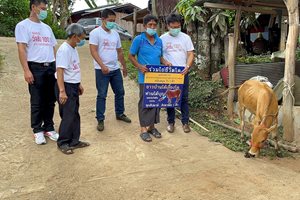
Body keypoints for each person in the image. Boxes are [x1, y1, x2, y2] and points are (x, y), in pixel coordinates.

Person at [15, 0, 59, 145]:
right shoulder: (23, 26)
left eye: (46, 8)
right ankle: (37, 130)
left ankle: (49, 127)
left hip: (50, 67)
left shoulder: (47, 28)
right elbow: (21, 49)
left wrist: (57, 67)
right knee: (37, 101)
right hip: (35, 67)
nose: (44, 11)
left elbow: (53, 47)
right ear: (33, 7)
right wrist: (26, 70)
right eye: (42, 8)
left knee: (50, 100)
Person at [128, 14, 172, 142]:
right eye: (150, 25)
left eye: (154, 25)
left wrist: (166, 62)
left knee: (155, 101)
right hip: (145, 77)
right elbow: (131, 56)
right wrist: (140, 66)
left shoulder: (159, 40)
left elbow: (160, 57)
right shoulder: (139, 40)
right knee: (145, 102)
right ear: (144, 26)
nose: (152, 27)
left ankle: (152, 127)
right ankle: (143, 129)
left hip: (157, 77)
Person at [89, 9, 131, 132]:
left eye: (114, 21)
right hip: (101, 70)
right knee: (102, 95)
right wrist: (102, 66)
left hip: (115, 69)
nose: (112, 23)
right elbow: (93, 51)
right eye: (110, 20)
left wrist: (124, 66)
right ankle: (100, 119)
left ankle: (120, 113)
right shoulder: (95, 33)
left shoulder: (115, 34)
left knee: (120, 92)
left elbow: (119, 51)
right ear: (103, 19)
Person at [55, 23, 90, 155]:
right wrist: (62, 91)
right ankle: (63, 142)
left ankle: (74, 140)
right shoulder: (64, 50)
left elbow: (73, 68)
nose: (82, 41)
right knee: (68, 115)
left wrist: (78, 84)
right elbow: (60, 71)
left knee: (75, 114)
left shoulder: (73, 48)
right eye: (81, 38)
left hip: (73, 85)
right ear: (74, 36)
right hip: (66, 86)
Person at [160, 14, 194, 133]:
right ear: (168, 26)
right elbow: (159, 56)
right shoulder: (162, 39)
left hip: (183, 72)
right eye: (173, 27)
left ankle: (185, 123)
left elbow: (190, 54)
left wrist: (188, 66)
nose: (176, 29)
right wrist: (165, 62)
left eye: (178, 26)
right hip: (169, 73)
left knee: (183, 98)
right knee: (170, 98)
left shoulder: (185, 38)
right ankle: (171, 122)